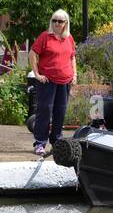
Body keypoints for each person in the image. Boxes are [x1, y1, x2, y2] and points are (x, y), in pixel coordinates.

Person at [29, 9, 77, 157]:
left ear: (65, 23)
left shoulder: (69, 38)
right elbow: (32, 53)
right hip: (48, 81)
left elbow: (72, 58)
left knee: (60, 111)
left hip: (65, 81)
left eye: (60, 21)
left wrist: (74, 74)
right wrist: (37, 74)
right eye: (54, 20)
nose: (56, 23)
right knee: (44, 110)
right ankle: (40, 142)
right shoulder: (45, 36)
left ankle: (56, 141)